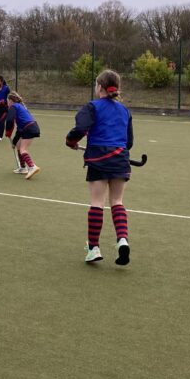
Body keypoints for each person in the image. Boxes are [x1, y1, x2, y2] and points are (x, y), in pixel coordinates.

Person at [65, 69, 134, 266]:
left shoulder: (92, 107)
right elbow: (129, 142)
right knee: (117, 201)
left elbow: (79, 129)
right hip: (121, 159)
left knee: (97, 202)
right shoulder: (125, 110)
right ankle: (122, 239)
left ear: (99, 87)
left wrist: (70, 141)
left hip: (98, 159)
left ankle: (93, 248)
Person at [4, 91, 41, 179]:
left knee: (23, 149)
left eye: (7, 101)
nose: (7, 103)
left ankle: (32, 167)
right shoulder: (20, 106)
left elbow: (9, 120)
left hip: (29, 128)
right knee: (18, 145)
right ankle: (23, 168)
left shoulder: (13, 107)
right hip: (30, 127)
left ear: (10, 100)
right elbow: (19, 130)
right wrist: (14, 141)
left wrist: (8, 131)